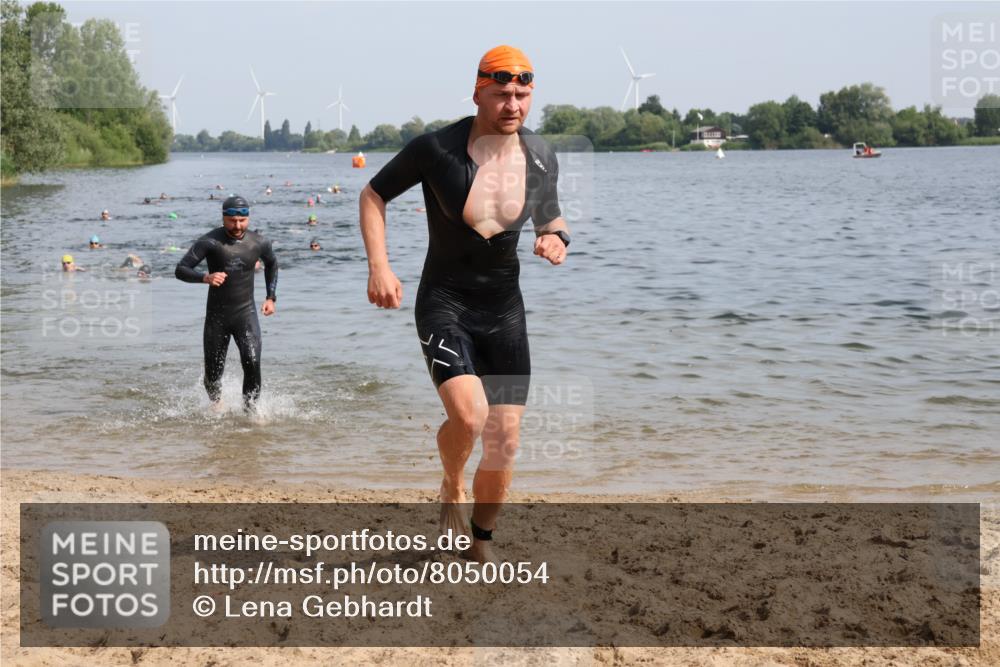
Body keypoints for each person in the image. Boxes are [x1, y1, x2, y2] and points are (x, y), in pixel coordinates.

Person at [359, 45, 570, 562]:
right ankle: (451, 479)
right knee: (471, 418)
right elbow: (372, 195)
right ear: (478, 92)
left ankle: (481, 540)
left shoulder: (540, 154)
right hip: (445, 303)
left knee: (506, 441)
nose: (513, 105)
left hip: (504, 311)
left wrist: (556, 238)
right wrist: (380, 267)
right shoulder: (437, 149)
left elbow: (551, 217)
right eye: (501, 94)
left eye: (522, 95)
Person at [175, 195, 278, 409]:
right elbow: (181, 269)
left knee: (252, 362)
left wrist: (270, 297)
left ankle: (251, 411)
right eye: (232, 221)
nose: (237, 225)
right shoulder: (210, 241)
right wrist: (205, 277)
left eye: (242, 220)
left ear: (248, 218)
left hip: (245, 313)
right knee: (213, 373)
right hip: (217, 316)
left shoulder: (259, 242)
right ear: (223, 218)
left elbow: (272, 264)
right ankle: (216, 404)